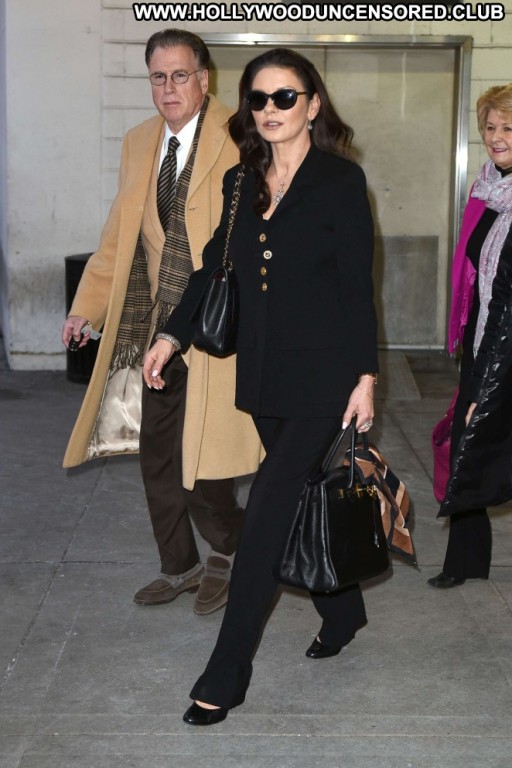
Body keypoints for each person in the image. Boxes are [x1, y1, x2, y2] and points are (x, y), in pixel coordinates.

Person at [143, 48, 378, 724]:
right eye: (259, 98)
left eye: (285, 97)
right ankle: (344, 611)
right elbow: (214, 268)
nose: (270, 109)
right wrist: (171, 335)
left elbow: (357, 287)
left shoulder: (340, 181)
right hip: (265, 376)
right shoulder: (241, 181)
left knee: (267, 516)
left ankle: (226, 673)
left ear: (312, 104)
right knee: (303, 496)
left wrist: (365, 377)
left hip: (325, 380)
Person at [61, 29, 262, 614]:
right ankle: (180, 565)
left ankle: (237, 549)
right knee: (158, 457)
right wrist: (85, 307)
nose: (169, 88)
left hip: (219, 329)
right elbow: (118, 237)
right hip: (158, 330)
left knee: (205, 464)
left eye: (180, 75)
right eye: (158, 77)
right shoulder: (138, 143)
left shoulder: (241, 136)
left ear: (204, 78)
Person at [428, 84, 512, 589]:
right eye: (490, 127)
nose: (497, 137)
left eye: (509, 127)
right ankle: (466, 561)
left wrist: (489, 376)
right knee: (468, 444)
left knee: (484, 445)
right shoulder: (487, 191)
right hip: (484, 339)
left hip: (505, 344)